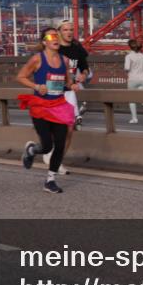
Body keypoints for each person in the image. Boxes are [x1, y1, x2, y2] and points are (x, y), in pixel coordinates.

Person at [16, 27, 74, 194]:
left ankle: (50, 180)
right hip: (41, 107)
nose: (55, 38)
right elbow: (20, 76)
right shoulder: (37, 59)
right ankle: (32, 150)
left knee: (61, 144)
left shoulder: (65, 61)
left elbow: (67, 82)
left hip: (59, 106)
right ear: (44, 42)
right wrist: (36, 86)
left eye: (57, 35)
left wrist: (73, 84)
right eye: (51, 35)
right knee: (47, 146)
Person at [43, 19, 90, 173]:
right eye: (65, 30)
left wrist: (83, 74)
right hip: (54, 90)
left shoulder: (77, 48)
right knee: (56, 128)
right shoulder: (54, 48)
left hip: (70, 93)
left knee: (70, 130)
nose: (69, 32)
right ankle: (49, 151)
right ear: (58, 32)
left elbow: (85, 67)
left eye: (71, 30)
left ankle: (57, 162)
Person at [124, 39, 143, 124]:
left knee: (132, 100)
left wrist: (127, 72)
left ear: (130, 47)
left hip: (132, 79)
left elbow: (127, 68)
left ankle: (134, 118)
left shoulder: (128, 56)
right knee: (142, 98)